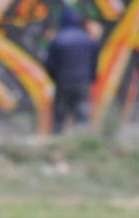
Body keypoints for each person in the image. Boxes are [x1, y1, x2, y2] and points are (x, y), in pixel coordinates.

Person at [44, 6, 99, 134]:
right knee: (82, 113)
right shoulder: (88, 40)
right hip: (83, 81)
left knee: (60, 114)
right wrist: (90, 78)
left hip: (63, 82)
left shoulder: (58, 40)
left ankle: (57, 140)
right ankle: (81, 141)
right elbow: (94, 62)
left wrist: (55, 79)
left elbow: (49, 63)